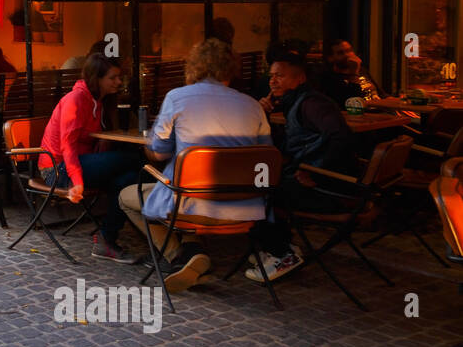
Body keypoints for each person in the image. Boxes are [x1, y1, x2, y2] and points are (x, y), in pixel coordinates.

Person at [118, 39, 273, 294]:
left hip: (190, 204)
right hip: (245, 207)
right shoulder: (253, 105)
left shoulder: (177, 98)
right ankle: (193, 252)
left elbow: (157, 153)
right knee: (183, 191)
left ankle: (177, 257)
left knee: (126, 196)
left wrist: (150, 144)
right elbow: (266, 156)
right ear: (231, 68)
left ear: (193, 67)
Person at [251, 50, 360, 282]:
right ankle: (279, 248)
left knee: (259, 194)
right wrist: (265, 118)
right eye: (271, 76)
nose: (272, 81)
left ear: (299, 79)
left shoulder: (311, 104)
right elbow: (289, 146)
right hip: (323, 183)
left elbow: (342, 138)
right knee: (263, 185)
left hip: (331, 191)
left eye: (280, 76)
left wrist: (314, 172)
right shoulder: (294, 102)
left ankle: (282, 254)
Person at [38, 54, 144, 261]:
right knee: (134, 159)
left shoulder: (99, 102)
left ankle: (106, 239)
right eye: (113, 78)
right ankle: (166, 209)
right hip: (57, 169)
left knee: (129, 179)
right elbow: (67, 145)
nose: (119, 82)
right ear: (97, 79)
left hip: (81, 163)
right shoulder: (75, 99)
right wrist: (77, 182)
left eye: (119, 77)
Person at [317, 39, 382, 104]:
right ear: (330, 58)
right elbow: (351, 103)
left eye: (349, 51)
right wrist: (354, 72)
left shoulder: (362, 70)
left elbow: (382, 94)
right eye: (340, 53)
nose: (347, 55)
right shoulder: (328, 78)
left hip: (379, 108)